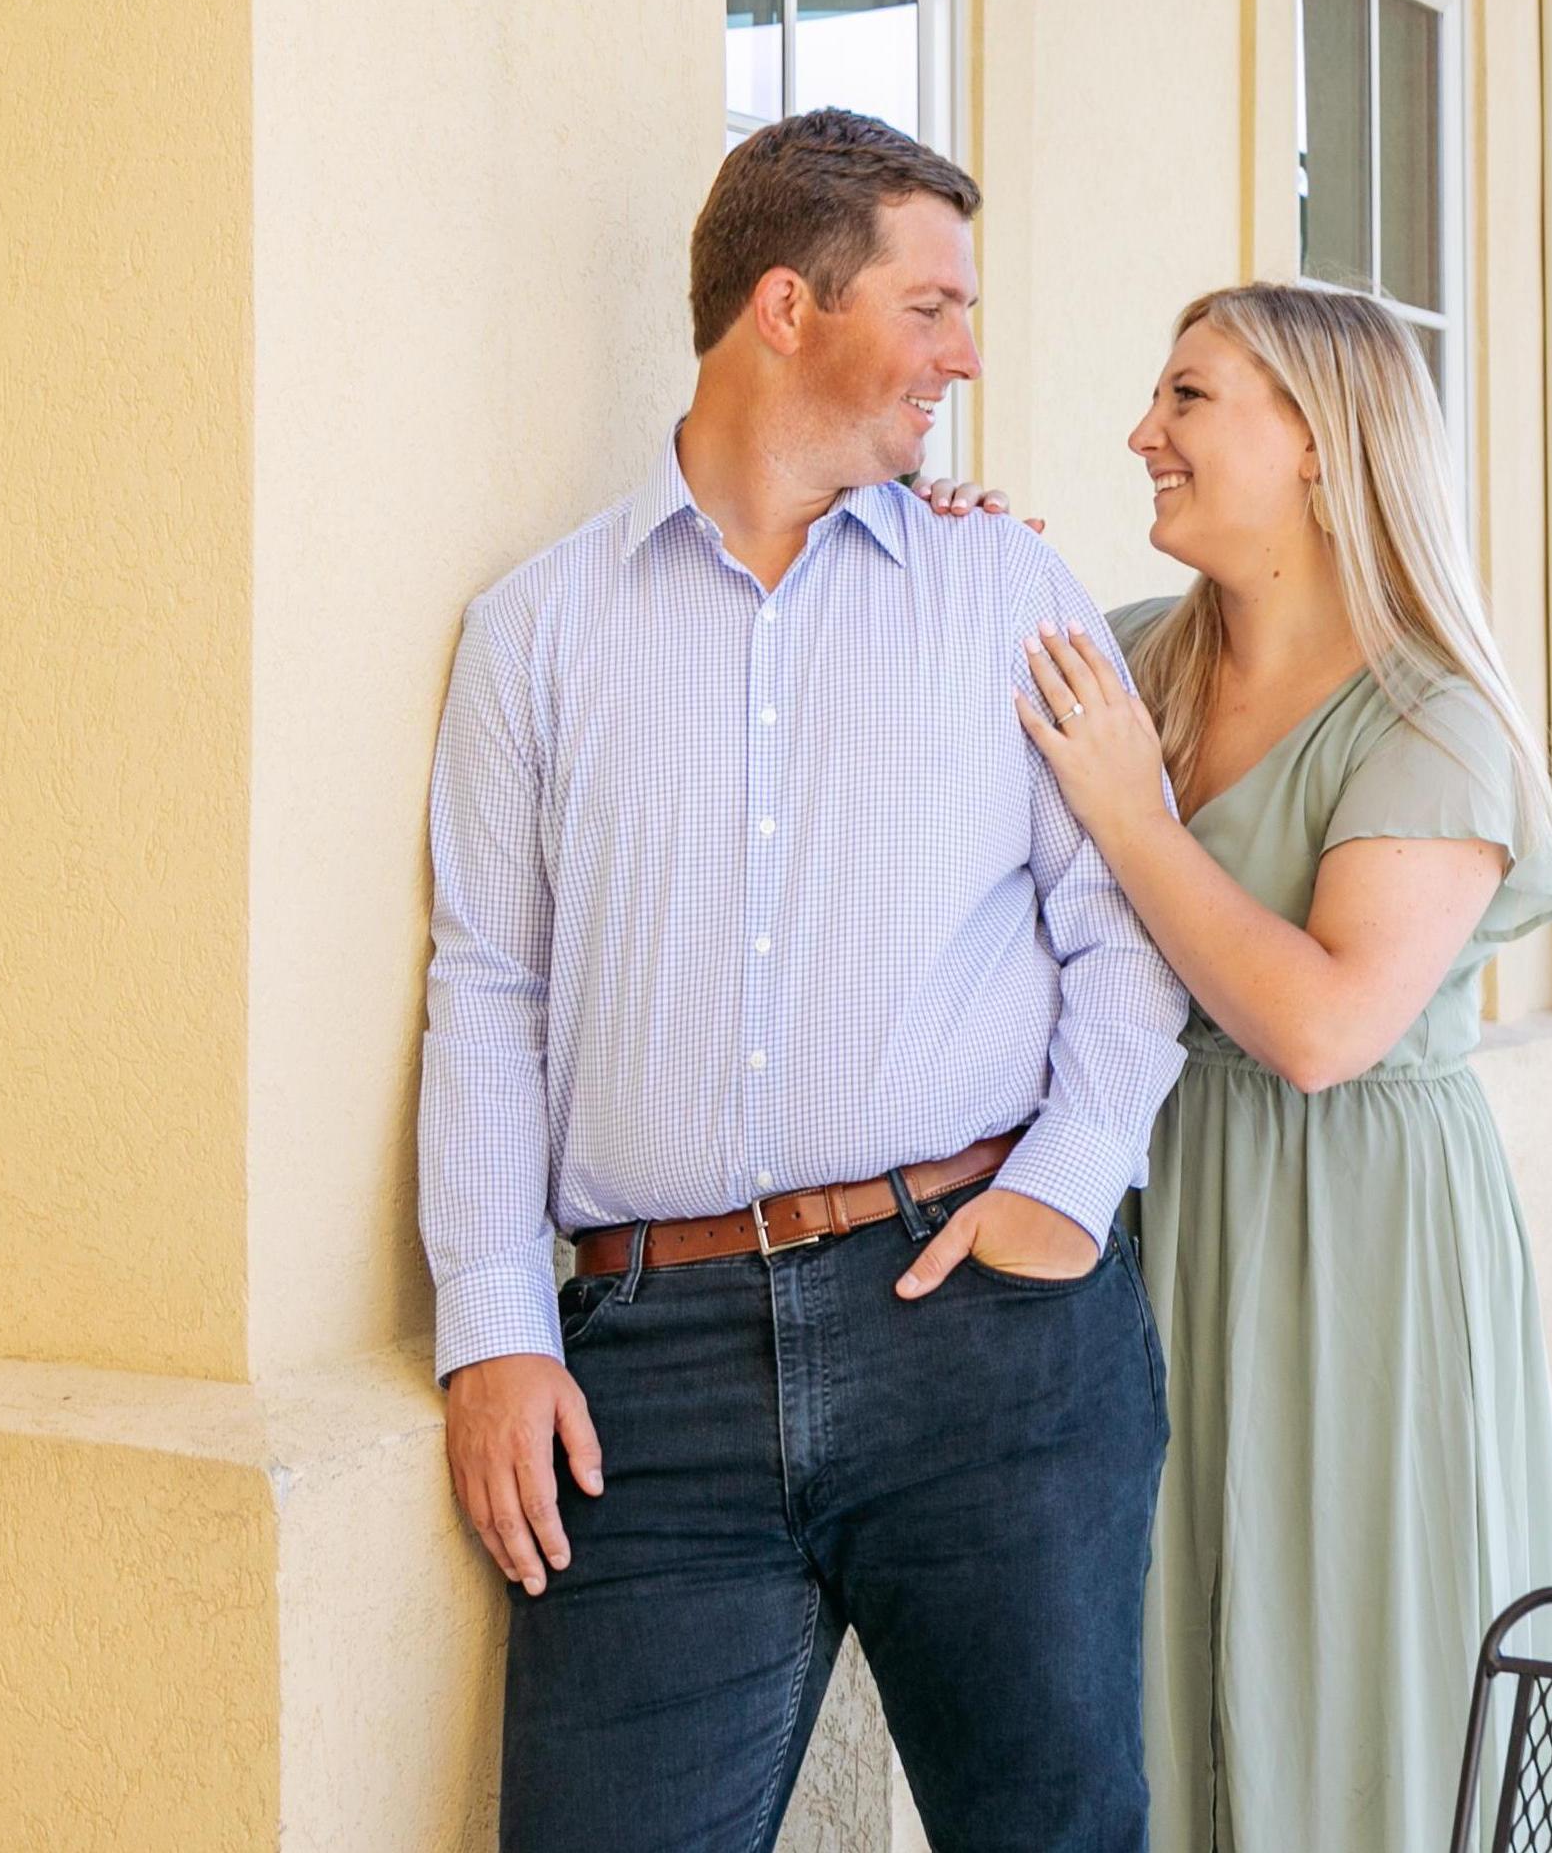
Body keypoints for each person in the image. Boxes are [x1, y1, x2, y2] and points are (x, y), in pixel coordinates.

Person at [417, 109, 1189, 1853]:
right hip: (646, 1385)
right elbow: (490, 995)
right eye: (932, 307)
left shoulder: (1006, 584)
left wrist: (1068, 1187)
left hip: (978, 1331)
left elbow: (1120, 923)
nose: (966, 354)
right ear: (786, 306)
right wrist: (494, 1329)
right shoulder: (535, 633)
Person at [920, 281, 1552, 1853]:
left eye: (1188, 399)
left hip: (1352, 1235)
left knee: (1344, 1649)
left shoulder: (1432, 718)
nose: (1140, 433)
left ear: (1317, 441)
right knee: (1143, 1642)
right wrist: (953, 563)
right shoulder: (1134, 658)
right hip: (1149, 1204)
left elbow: (1322, 1029)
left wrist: (1131, 812)